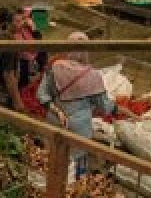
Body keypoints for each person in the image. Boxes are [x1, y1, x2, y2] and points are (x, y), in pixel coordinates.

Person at [37, 32, 133, 176]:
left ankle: (52, 192)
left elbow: (41, 94)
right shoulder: (92, 76)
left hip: (55, 122)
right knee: (76, 165)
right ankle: (73, 190)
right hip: (79, 129)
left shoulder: (55, 66)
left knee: (53, 162)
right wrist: (119, 109)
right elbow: (104, 107)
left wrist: (56, 110)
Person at [0, 7, 44, 111]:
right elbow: (9, 75)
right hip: (5, 91)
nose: (22, 23)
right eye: (18, 21)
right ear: (8, 23)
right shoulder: (10, 42)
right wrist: (18, 103)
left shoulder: (1, 36)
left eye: (22, 19)